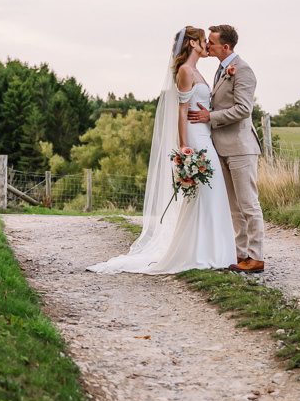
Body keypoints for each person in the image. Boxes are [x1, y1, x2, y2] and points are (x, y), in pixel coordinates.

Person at [87, 26, 236, 275]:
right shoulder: (185, 71)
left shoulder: (197, 71)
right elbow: (181, 111)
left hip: (205, 134)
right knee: (207, 192)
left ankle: (214, 250)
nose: (206, 46)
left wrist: (230, 74)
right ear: (191, 44)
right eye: (202, 41)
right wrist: (184, 145)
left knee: (212, 192)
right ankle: (200, 252)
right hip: (194, 137)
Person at [188, 24, 265, 273]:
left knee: (248, 204)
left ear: (226, 47)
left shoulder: (243, 71)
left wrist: (210, 117)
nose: (207, 45)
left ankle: (256, 256)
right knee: (234, 206)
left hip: (241, 147)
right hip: (222, 146)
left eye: (211, 42)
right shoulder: (221, 71)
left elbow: (244, 109)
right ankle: (241, 253)